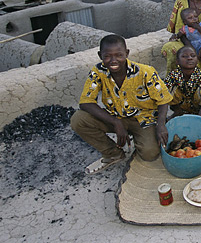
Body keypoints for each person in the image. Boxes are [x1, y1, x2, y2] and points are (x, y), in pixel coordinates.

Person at [71, 35, 172, 174]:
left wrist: (161, 125)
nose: (113, 60)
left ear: (127, 53)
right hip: (115, 117)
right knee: (78, 120)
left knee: (150, 154)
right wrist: (116, 122)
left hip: (143, 119)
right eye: (107, 56)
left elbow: (164, 100)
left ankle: (138, 138)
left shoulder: (145, 72)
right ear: (100, 55)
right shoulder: (98, 72)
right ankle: (113, 153)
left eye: (119, 55)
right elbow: (85, 102)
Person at [164, 45, 201, 118]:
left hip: (198, 109)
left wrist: (200, 116)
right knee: (168, 90)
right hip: (182, 106)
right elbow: (164, 94)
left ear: (197, 60)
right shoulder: (173, 75)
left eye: (193, 56)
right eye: (185, 56)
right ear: (177, 61)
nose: (190, 58)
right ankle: (178, 112)